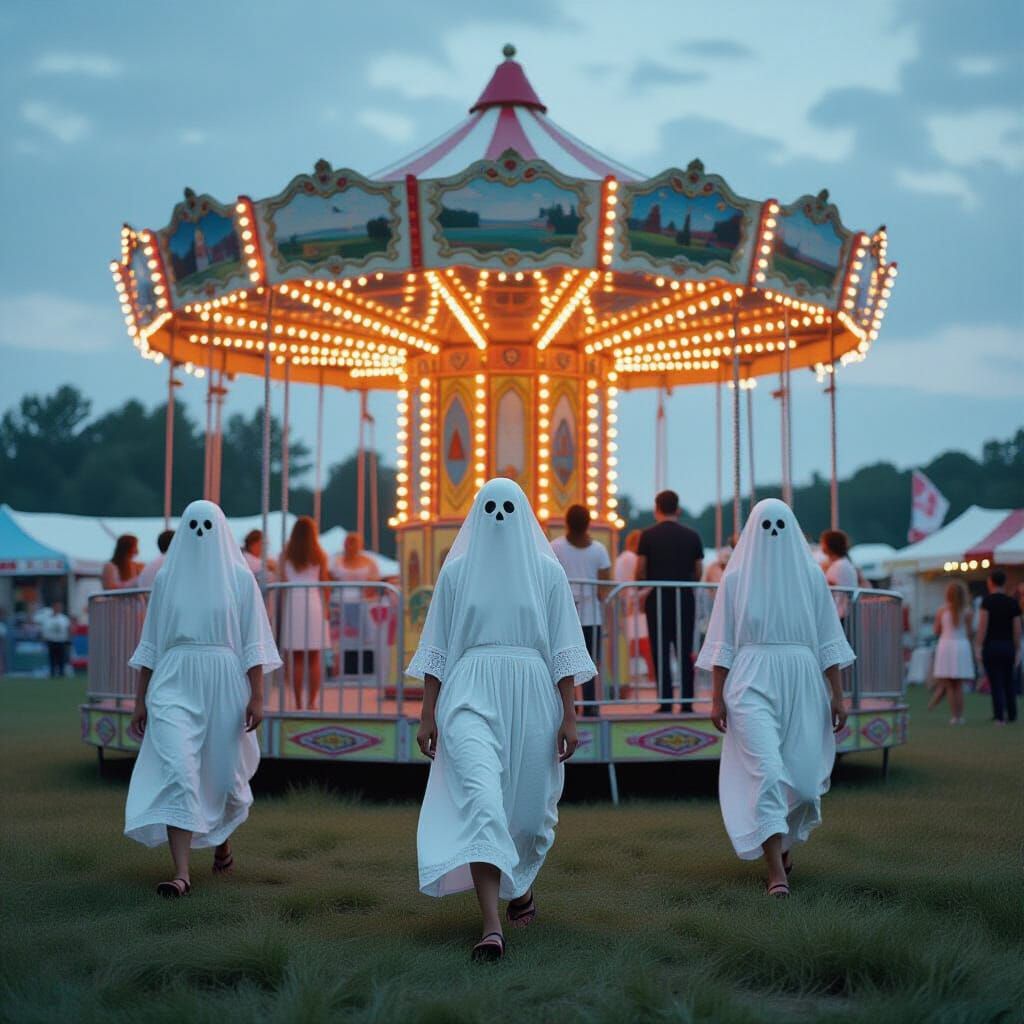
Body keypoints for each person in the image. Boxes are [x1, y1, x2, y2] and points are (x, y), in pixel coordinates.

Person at [408, 479, 595, 961]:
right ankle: (491, 927)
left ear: (525, 513)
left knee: (529, 816)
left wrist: (570, 716)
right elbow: (437, 648)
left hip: (533, 695)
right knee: (483, 803)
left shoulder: (547, 574)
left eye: (507, 506)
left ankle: (521, 886)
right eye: (488, 506)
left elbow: (564, 650)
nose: (498, 515)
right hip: (469, 691)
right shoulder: (457, 573)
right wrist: (427, 713)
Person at [697, 498, 852, 898]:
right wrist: (716, 697)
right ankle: (774, 872)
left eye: (781, 525)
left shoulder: (812, 578)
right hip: (750, 679)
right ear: (752, 530)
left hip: (802, 679)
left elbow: (829, 640)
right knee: (766, 771)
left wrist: (838, 694)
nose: (773, 534)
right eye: (766, 525)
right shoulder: (734, 580)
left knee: (802, 784)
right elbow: (721, 642)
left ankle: (782, 843)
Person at [125, 499, 280, 897]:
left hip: (224, 682)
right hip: (174, 680)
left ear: (221, 530)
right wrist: (139, 699)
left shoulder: (240, 579)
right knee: (178, 767)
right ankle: (181, 874)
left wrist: (257, 696)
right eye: (192, 525)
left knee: (221, 771)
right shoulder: (166, 580)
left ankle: (222, 843)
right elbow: (151, 643)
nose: (199, 533)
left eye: (207, 525)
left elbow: (253, 641)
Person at [635, 490, 704, 713]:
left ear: (657, 509)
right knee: (685, 651)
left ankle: (665, 701)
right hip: (684, 599)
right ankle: (686, 701)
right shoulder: (693, 536)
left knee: (660, 650)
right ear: (678, 509)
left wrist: (645, 584)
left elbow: (640, 570)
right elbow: (698, 571)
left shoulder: (647, 536)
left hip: (657, 599)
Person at [551, 505, 611, 717]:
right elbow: (605, 586)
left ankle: (569, 705)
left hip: (564, 617)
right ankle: (591, 704)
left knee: (565, 660)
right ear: (588, 524)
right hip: (591, 615)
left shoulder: (556, 547)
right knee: (591, 661)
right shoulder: (599, 550)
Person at [280, 516, 331, 710]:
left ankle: (299, 702)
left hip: (294, 602)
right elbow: (324, 581)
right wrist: (326, 608)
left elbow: (283, 578)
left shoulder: (286, 554)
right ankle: (312, 701)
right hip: (313, 601)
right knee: (314, 656)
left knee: (297, 657)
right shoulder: (319, 554)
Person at [975, 569, 1022, 724]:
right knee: (1009, 681)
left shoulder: (987, 602)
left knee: (995, 681)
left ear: (990, 582)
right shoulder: (1012, 602)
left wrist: (978, 645)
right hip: (1008, 646)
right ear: (1004, 582)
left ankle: (999, 715)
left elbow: (983, 626)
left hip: (992, 646)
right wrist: (1017, 648)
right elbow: (1017, 629)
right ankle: (1012, 714)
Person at [928, 581, 974, 725]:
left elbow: (936, 630)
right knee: (958, 685)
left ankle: (954, 716)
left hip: (946, 645)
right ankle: (959, 716)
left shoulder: (942, 610)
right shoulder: (967, 611)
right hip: (961, 646)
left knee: (950, 685)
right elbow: (970, 632)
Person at [613, 530, 655, 687]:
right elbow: (634, 582)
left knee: (634, 643)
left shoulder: (622, 558)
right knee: (643, 643)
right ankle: (651, 675)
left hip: (627, 605)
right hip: (633, 607)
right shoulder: (631, 558)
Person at [820, 530, 858, 621]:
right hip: (844, 614)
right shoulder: (843, 563)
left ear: (830, 545)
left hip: (840, 615)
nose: (821, 545)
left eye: (823, 542)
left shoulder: (839, 566)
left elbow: (824, 588)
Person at [42, 600, 71, 678]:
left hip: (61, 641)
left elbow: (68, 629)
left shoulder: (64, 618)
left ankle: (62, 673)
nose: (57, 608)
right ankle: (52, 673)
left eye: (59, 607)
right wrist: (44, 639)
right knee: (52, 658)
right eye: (56, 606)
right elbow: (44, 630)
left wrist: (69, 639)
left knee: (61, 658)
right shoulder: (48, 619)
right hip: (51, 641)